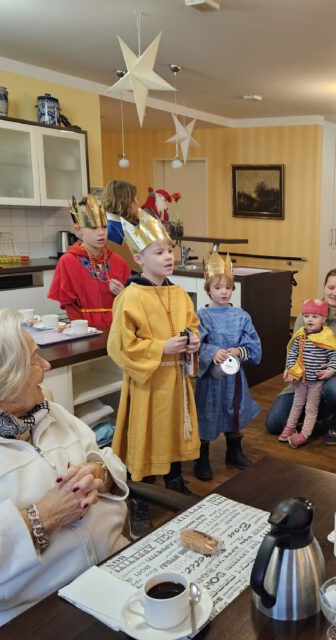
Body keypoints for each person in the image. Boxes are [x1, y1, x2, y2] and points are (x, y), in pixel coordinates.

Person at [0, 308, 128, 627]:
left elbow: (110, 461)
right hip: (39, 609)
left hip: (116, 565)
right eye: (34, 359)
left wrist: (99, 474)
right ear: (3, 377)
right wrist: (40, 518)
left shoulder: (48, 412)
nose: (47, 366)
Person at [107, 212, 200, 535]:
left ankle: (174, 481)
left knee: (175, 428)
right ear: (138, 258)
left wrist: (193, 340)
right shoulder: (130, 297)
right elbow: (120, 345)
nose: (168, 257)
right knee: (145, 436)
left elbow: (192, 324)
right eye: (159, 252)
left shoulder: (177, 292)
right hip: (149, 382)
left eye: (169, 250)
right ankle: (140, 496)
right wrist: (161, 348)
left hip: (175, 379)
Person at [265, 268, 336, 445]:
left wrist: (335, 369)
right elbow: (294, 349)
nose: (335, 293)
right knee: (274, 424)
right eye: (331, 287)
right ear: (324, 287)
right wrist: (291, 369)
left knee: (335, 390)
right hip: (304, 382)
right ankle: (314, 415)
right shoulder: (304, 316)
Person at [193, 252, 261, 481]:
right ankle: (201, 455)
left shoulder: (241, 316)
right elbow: (196, 346)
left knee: (234, 410)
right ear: (208, 290)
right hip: (211, 379)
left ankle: (234, 450)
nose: (224, 292)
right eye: (218, 287)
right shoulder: (201, 316)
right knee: (208, 411)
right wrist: (213, 352)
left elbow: (252, 344)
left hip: (234, 378)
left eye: (228, 288)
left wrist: (238, 352)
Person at [48, 195, 130, 332]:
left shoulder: (118, 261)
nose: (101, 233)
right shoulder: (68, 261)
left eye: (104, 227)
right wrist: (80, 329)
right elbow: (68, 303)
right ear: (78, 229)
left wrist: (123, 293)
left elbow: (132, 302)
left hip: (118, 329)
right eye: (93, 228)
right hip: (84, 330)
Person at [278, 298, 336, 448]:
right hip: (301, 379)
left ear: (323, 319)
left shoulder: (327, 337)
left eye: (315, 316)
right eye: (306, 316)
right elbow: (292, 353)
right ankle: (290, 427)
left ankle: (305, 434)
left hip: (317, 381)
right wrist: (290, 369)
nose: (310, 319)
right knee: (297, 403)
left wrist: (330, 371)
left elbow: (334, 356)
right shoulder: (300, 334)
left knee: (311, 408)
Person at [102, 180, 140, 244]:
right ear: (125, 203)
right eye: (135, 200)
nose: (138, 203)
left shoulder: (132, 221)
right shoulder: (109, 230)